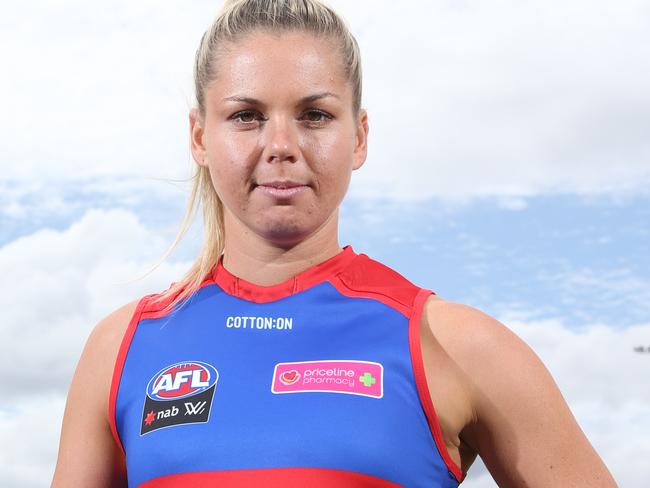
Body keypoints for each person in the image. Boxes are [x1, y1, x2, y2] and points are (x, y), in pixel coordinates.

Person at [52, 0, 618, 486]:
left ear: (359, 137)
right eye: (246, 116)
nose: (281, 145)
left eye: (315, 115)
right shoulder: (122, 351)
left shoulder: (453, 346)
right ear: (200, 137)